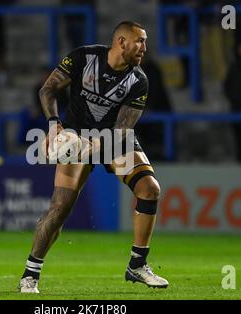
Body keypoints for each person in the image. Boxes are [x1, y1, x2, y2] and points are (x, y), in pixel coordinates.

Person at [18, 21, 169, 293]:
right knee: (59, 208)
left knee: (150, 189)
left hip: (113, 140)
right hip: (76, 135)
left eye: (145, 42)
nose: (144, 48)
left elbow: (122, 129)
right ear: (121, 42)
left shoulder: (139, 80)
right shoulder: (83, 58)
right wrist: (54, 124)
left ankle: (137, 265)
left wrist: (93, 145)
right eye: (140, 41)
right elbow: (48, 89)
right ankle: (30, 274)